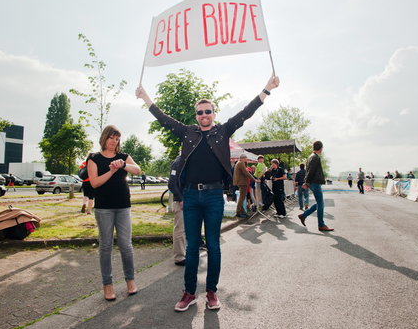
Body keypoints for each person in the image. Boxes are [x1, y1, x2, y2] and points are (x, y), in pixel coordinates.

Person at [136, 75, 280, 312]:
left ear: (214, 113)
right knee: (192, 247)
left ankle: (211, 292)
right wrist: (145, 97)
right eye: (200, 112)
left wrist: (267, 89)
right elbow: (162, 119)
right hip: (191, 197)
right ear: (196, 116)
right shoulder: (188, 133)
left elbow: (246, 112)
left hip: (214, 197)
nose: (204, 115)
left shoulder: (223, 131)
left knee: (213, 245)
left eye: (208, 111)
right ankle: (189, 293)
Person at [88, 125, 141, 301]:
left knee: (126, 245)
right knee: (106, 246)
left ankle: (130, 281)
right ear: (105, 138)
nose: (114, 142)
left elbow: (137, 170)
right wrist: (111, 170)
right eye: (112, 138)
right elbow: (94, 183)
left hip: (123, 206)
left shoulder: (123, 157)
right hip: (104, 208)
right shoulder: (94, 158)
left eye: (117, 139)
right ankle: (107, 284)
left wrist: (124, 165)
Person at [298, 141, 334, 232]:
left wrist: (307, 182)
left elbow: (308, 171)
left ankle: (304, 215)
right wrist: (306, 183)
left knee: (319, 203)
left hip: (313, 183)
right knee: (321, 204)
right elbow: (311, 171)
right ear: (321, 148)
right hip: (315, 183)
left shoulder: (310, 157)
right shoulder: (315, 157)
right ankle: (321, 225)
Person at [169, 156, 186, 266]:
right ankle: (179, 257)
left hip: (189, 199)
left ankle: (184, 253)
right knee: (180, 229)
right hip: (181, 201)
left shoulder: (188, 160)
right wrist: (180, 199)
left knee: (185, 229)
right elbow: (171, 183)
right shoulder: (178, 162)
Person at [233, 154, 255, 218]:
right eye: (245, 158)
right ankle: (238, 212)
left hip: (240, 182)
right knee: (242, 198)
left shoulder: (238, 163)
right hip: (242, 183)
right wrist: (254, 179)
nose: (246, 160)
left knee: (242, 198)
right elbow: (246, 173)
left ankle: (242, 211)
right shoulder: (241, 163)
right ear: (242, 158)